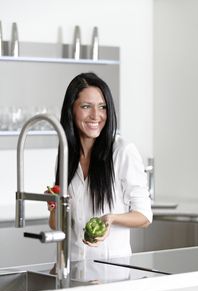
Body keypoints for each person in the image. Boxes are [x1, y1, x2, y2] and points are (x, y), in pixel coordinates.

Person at [48, 72, 152, 262]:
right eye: (86, 106)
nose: (96, 115)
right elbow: (58, 226)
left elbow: (144, 216)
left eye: (102, 107)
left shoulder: (122, 151)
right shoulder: (65, 155)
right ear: (71, 110)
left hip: (113, 270)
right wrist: (55, 205)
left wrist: (110, 219)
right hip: (73, 265)